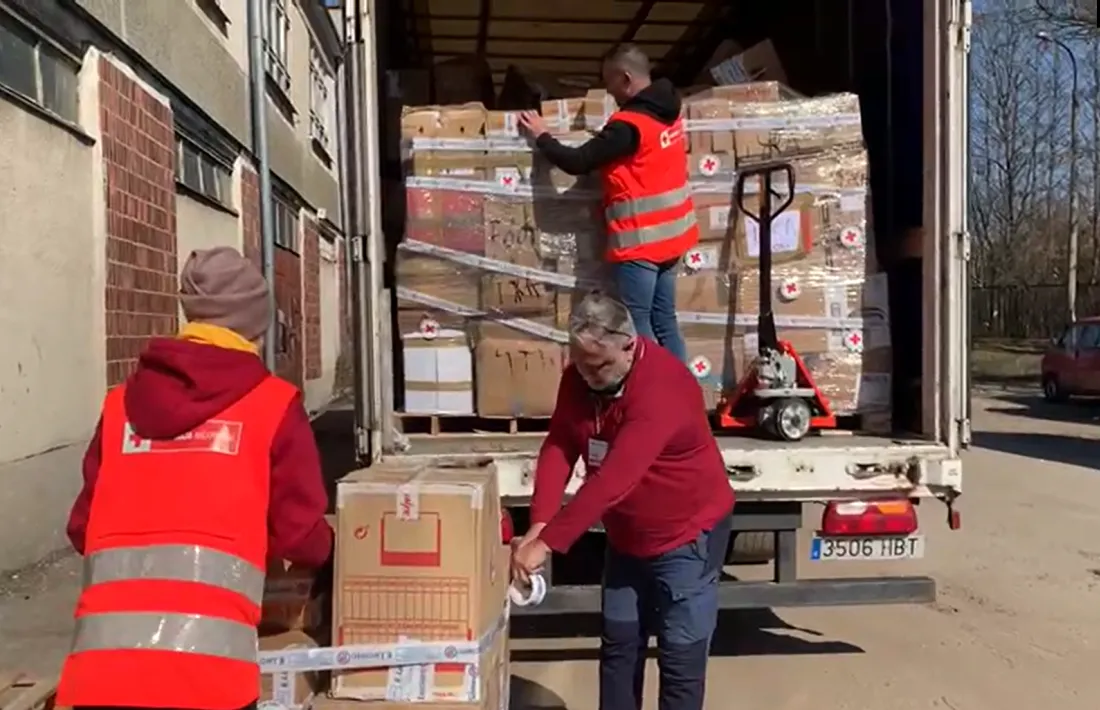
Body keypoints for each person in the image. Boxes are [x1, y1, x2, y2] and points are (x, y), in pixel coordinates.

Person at [57, 246, 335, 710]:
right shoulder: (273, 406)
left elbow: (82, 529)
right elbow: (300, 536)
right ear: (256, 325)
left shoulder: (119, 406)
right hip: (210, 677)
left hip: (102, 674)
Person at [511, 291, 734, 710]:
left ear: (629, 346)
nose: (587, 375)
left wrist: (548, 542)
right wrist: (539, 519)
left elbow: (615, 479)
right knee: (618, 646)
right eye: (578, 363)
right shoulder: (579, 377)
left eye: (598, 365)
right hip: (628, 537)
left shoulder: (661, 388)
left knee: (679, 658)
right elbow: (561, 443)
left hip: (686, 538)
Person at [517, 44, 697, 363]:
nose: (607, 90)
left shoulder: (628, 126)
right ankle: (683, 395)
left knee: (638, 325)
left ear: (625, 78)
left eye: (609, 81)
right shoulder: (668, 107)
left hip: (641, 244)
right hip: (674, 239)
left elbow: (577, 161)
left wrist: (542, 135)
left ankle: (654, 396)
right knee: (666, 323)